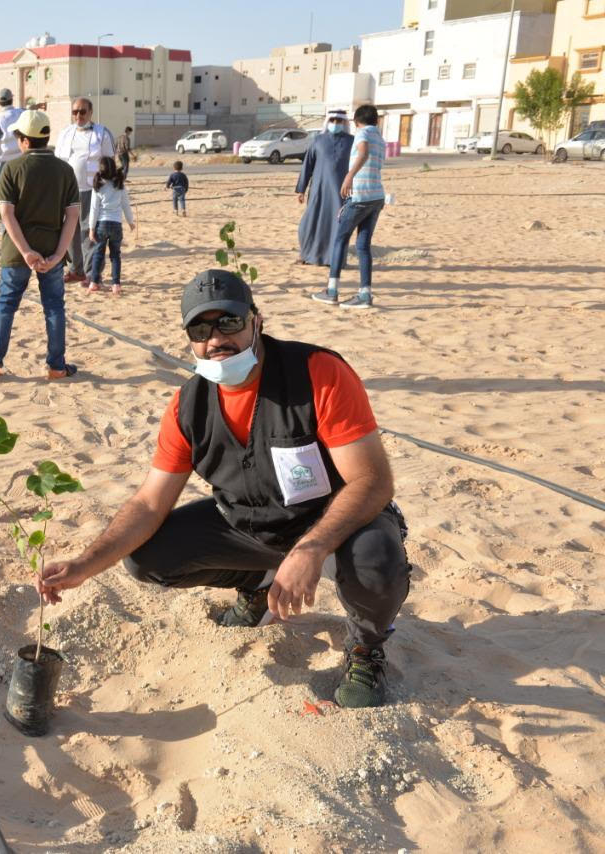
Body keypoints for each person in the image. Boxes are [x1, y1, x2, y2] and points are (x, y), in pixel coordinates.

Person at [38, 269, 410, 708]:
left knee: (376, 560)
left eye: (229, 322)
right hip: (251, 527)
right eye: (200, 329)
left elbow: (372, 480)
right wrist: (84, 565)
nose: (216, 338)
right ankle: (258, 584)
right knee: (145, 557)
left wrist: (311, 549)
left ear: (257, 320)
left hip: (334, 525)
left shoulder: (318, 373)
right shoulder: (187, 406)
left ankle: (366, 647)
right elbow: (150, 502)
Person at [0, 109, 80, 384]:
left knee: (6, 303)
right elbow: (72, 216)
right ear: (46, 137)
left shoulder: (11, 168)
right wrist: (58, 254)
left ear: (24, 139)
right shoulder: (65, 170)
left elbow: (6, 214)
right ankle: (56, 367)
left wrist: (25, 251)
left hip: (16, 249)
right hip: (52, 246)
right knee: (54, 306)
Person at [314, 104, 386, 309]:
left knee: (340, 239)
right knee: (363, 246)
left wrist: (349, 176)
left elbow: (363, 153)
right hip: (376, 197)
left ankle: (332, 291)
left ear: (356, 122)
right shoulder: (380, 138)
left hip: (360, 196)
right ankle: (365, 294)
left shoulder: (362, 134)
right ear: (376, 121)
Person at [54, 97, 115, 284]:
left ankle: (92, 274)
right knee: (70, 231)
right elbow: (58, 161)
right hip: (68, 191)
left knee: (90, 232)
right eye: (75, 112)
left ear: (90, 112)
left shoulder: (102, 133)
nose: (78, 115)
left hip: (92, 191)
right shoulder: (65, 133)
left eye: (82, 111)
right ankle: (76, 270)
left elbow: (110, 164)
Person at [295, 109, 354, 266]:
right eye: (332, 120)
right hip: (318, 190)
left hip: (341, 192)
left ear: (344, 122)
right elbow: (307, 165)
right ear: (328, 122)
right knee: (309, 224)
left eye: (339, 121)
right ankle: (306, 255)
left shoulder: (352, 141)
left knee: (337, 225)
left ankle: (333, 259)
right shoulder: (318, 140)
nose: (335, 123)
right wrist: (301, 189)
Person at [86, 156, 135, 295]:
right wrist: (130, 222)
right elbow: (126, 205)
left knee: (98, 254)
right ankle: (116, 284)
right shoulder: (120, 185)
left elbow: (94, 209)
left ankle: (94, 282)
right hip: (116, 225)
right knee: (115, 256)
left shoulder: (98, 186)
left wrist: (91, 228)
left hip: (101, 225)